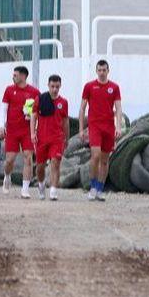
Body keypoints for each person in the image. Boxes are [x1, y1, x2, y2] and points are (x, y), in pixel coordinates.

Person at [79, 59, 123, 201]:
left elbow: (119, 108)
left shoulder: (114, 87)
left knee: (105, 160)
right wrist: (81, 129)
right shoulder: (89, 86)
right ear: (96, 71)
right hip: (95, 126)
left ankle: (99, 188)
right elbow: (82, 108)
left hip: (109, 127)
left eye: (104, 70)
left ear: (108, 71)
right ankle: (92, 186)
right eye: (99, 70)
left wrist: (118, 127)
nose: (102, 72)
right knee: (95, 156)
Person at [0, 65, 40, 199]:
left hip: (27, 130)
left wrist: (33, 118)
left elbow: (38, 111)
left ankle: (25, 189)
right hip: (12, 130)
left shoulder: (34, 92)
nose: (13, 77)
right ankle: (7, 176)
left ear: (23, 76)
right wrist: (1, 125)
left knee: (28, 157)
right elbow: (4, 108)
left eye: (15, 75)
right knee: (9, 160)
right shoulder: (9, 90)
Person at [34, 74, 69, 201]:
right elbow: (33, 116)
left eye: (57, 86)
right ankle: (41, 184)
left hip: (57, 138)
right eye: (52, 86)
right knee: (40, 167)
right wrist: (33, 133)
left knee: (55, 163)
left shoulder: (63, 102)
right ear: (48, 85)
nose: (55, 89)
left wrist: (67, 137)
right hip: (42, 138)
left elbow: (65, 121)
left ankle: (53, 190)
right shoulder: (40, 99)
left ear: (60, 86)